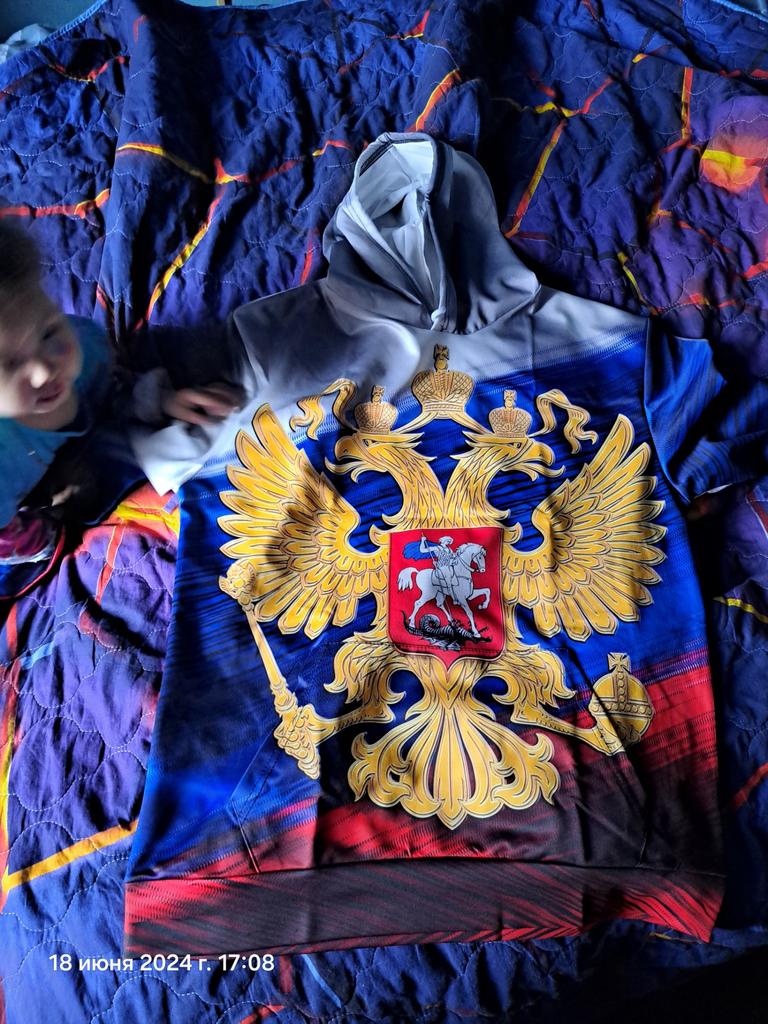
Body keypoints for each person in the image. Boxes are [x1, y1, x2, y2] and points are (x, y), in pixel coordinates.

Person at [0, 221, 241, 593]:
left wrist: (159, 398)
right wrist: (49, 532)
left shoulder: (85, 344)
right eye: (9, 364)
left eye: (48, 332)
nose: (45, 370)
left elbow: (110, 387)